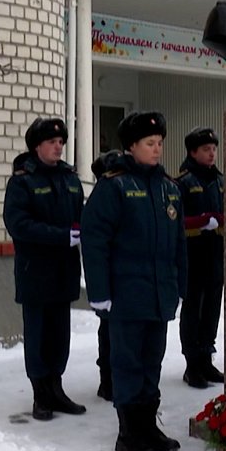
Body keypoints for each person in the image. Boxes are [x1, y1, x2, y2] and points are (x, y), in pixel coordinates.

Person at [80, 112, 187, 451]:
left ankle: (148, 426)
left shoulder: (170, 188)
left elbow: (179, 244)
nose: (157, 150)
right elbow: (95, 242)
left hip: (159, 294)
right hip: (126, 294)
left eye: (159, 144)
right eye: (149, 144)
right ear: (131, 146)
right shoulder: (115, 187)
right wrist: (100, 292)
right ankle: (128, 433)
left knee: (151, 361)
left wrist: (180, 284)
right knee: (127, 362)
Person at [3, 117, 86, 421]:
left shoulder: (69, 179)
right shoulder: (23, 181)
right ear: (36, 146)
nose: (58, 147)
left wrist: (82, 230)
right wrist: (61, 236)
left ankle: (56, 388)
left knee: (60, 333)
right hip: (35, 270)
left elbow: (82, 215)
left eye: (61, 142)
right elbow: (18, 224)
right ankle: (41, 394)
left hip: (64, 269)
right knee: (38, 333)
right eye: (52, 142)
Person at [177, 127, 226, 389]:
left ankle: (207, 358)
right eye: (206, 149)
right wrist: (199, 223)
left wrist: (220, 222)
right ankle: (192, 363)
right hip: (193, 256)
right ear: (193, 152)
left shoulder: (220, 180)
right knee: (193, 309)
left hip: (216, 255)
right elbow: (176, 222)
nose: (212, 153)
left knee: (212, 309)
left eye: (214, 149)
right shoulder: (183, 182)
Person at [89, 149, 122, 402]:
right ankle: (107, 379)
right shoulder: (103, 194)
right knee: (108, 329)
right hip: (110, 272)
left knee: (117, 332)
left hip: (124, 274)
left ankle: (114, 379)